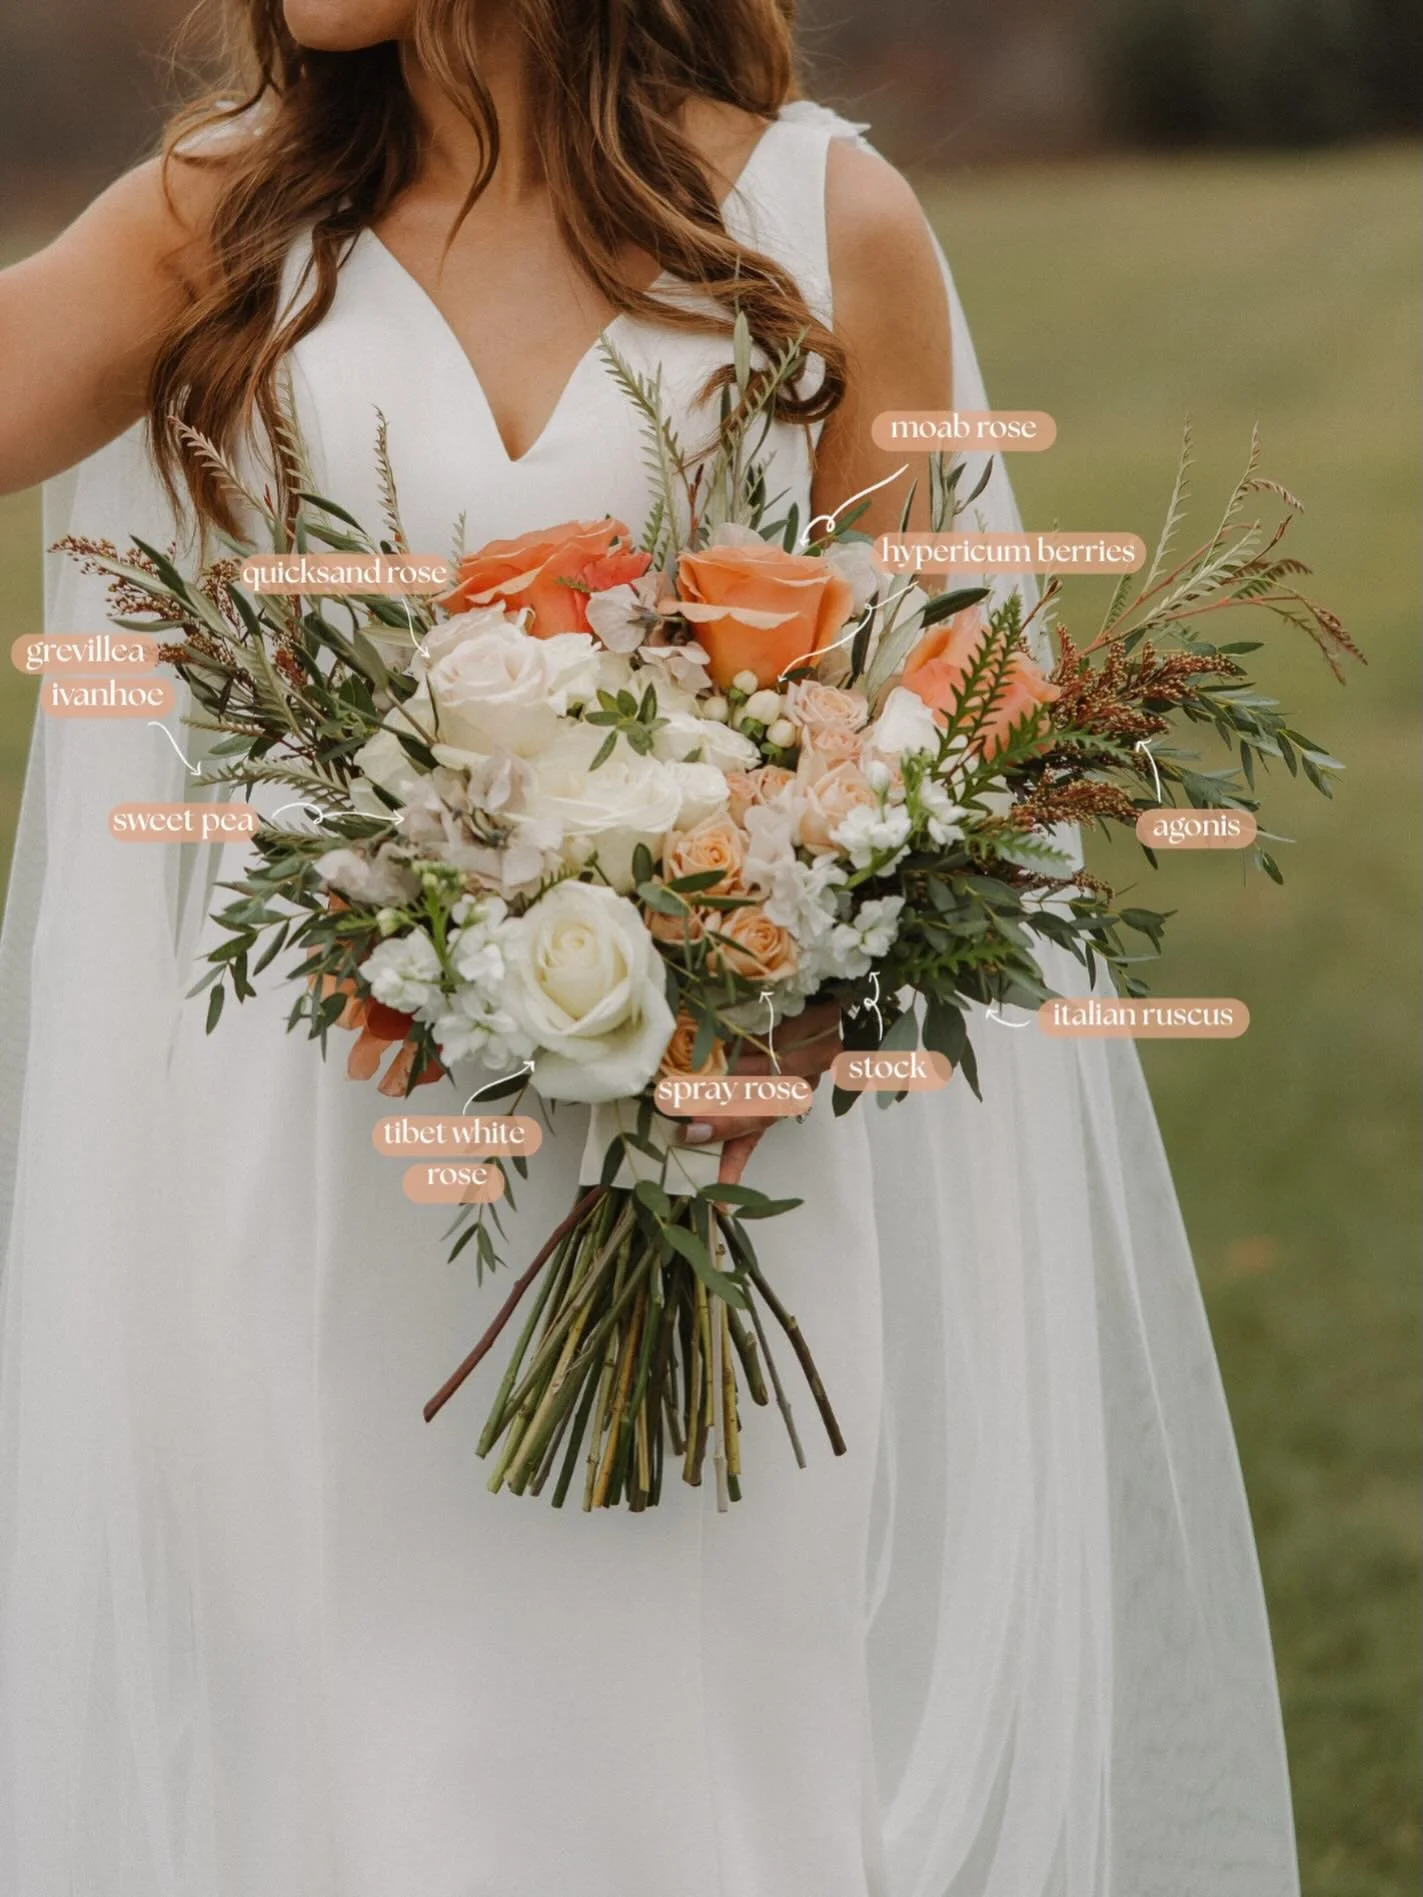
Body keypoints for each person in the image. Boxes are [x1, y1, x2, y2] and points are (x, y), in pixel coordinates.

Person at [0, 4, 1301, 1894]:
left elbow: (920, 700)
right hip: (324, 1154)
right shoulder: (224, 219)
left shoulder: (823, 218)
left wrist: (794, 978)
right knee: (347, 1759)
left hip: (704, 1176)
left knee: (709, 1758)